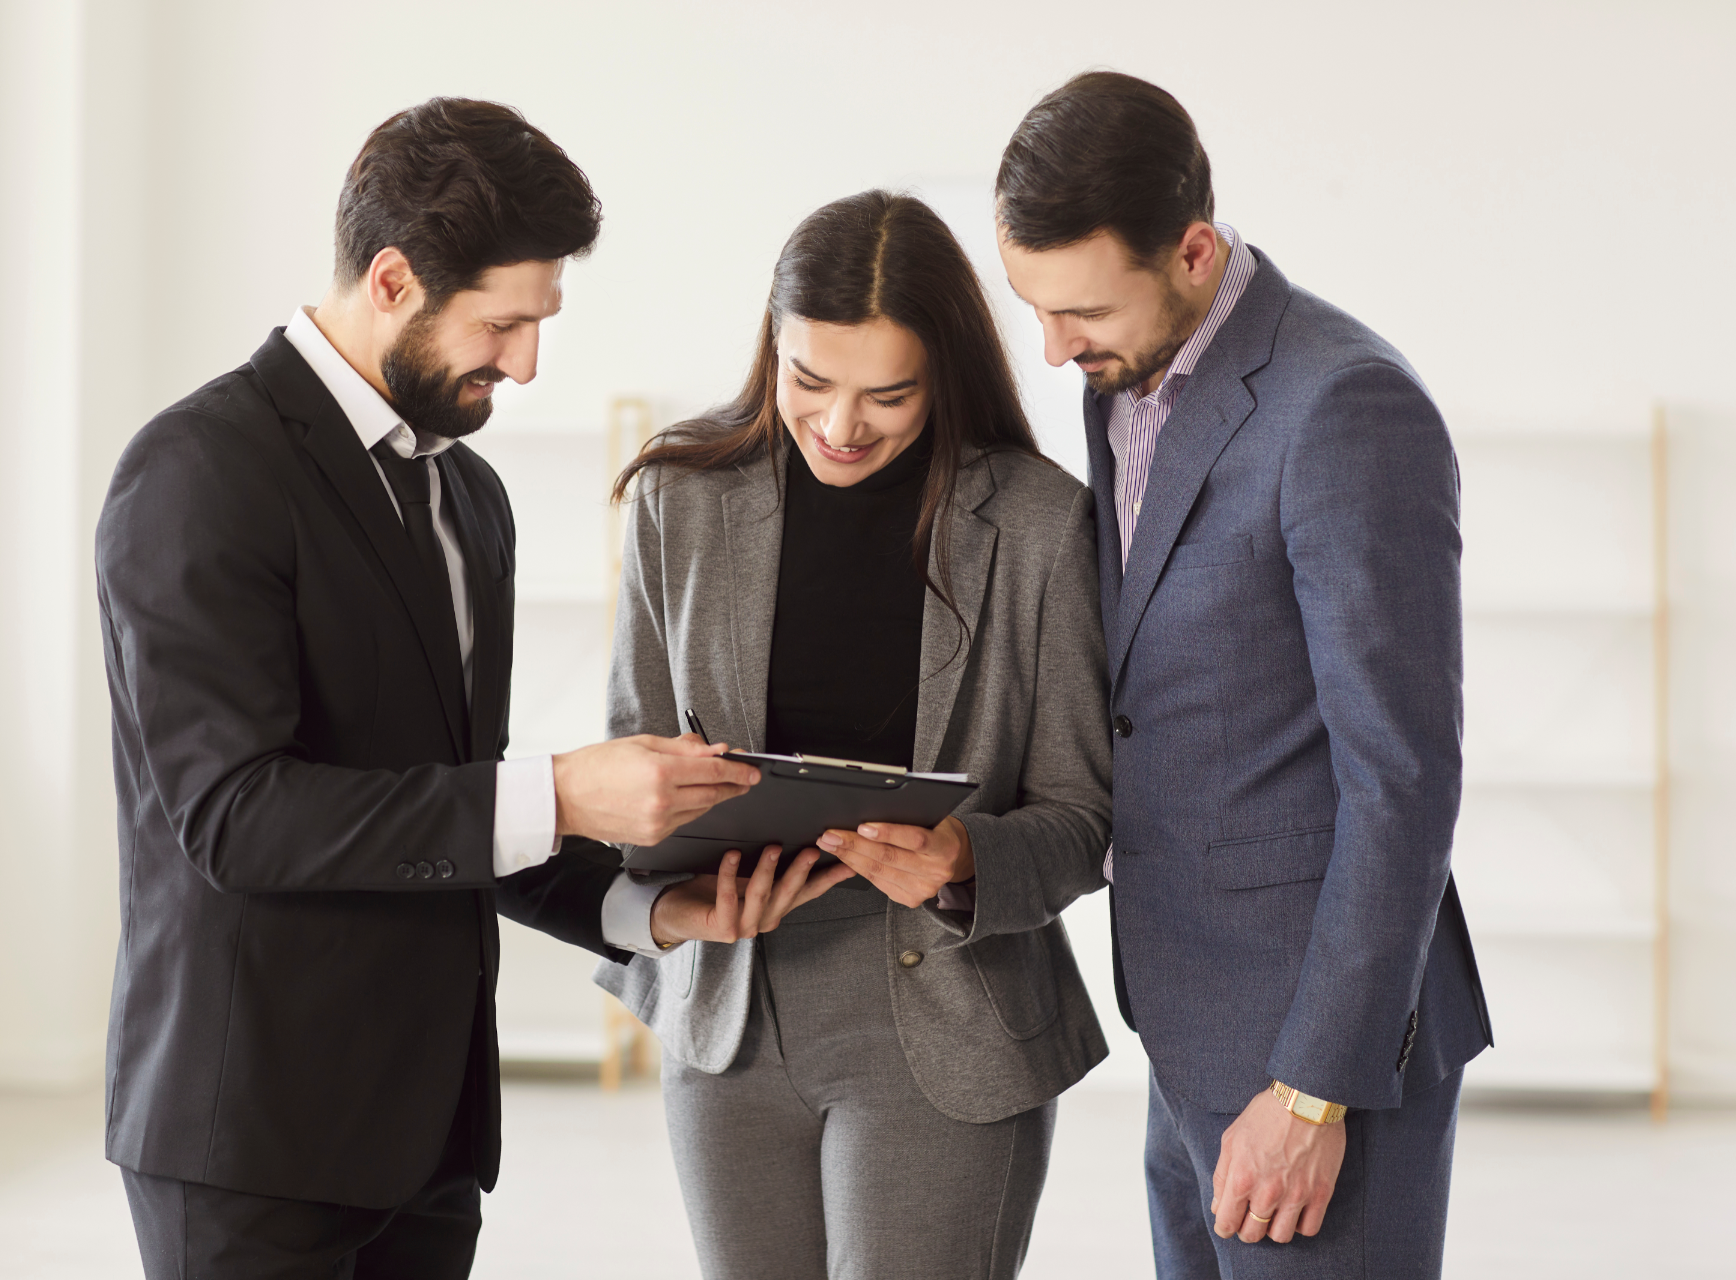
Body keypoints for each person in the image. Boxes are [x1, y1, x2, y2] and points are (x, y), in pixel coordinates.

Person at [93, 97, 806, 1279]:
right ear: (391, 280)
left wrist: (642, 911)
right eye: (502, 323)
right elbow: (237, 817)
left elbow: (444, 794)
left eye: (541, 324)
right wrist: (567, 794)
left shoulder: (471, 499)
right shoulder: (198, 471)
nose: (525, 362)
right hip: (250, 1138)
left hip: (430, 1138)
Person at [993, 72, 1493, 1279]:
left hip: (1318, 1058)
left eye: (1080, 311)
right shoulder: (1125, 381)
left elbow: (1403, 774)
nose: (1055, 346)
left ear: (1195, 250)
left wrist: (1314, 1089)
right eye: (1037, 308)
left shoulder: (1344, 404)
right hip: (1191, 1032)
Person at [595, 190, 1115, 1280]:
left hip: (946, 1025)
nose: (840, 426)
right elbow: (624, 774)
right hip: (727, 1014)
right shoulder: (676, 500)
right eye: (809, 382)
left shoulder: (1038, 525)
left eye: (889, 394)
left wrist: (968, 857)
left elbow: (1082, 813)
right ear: (769, 351)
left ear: (948, 374)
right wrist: (661, 903)